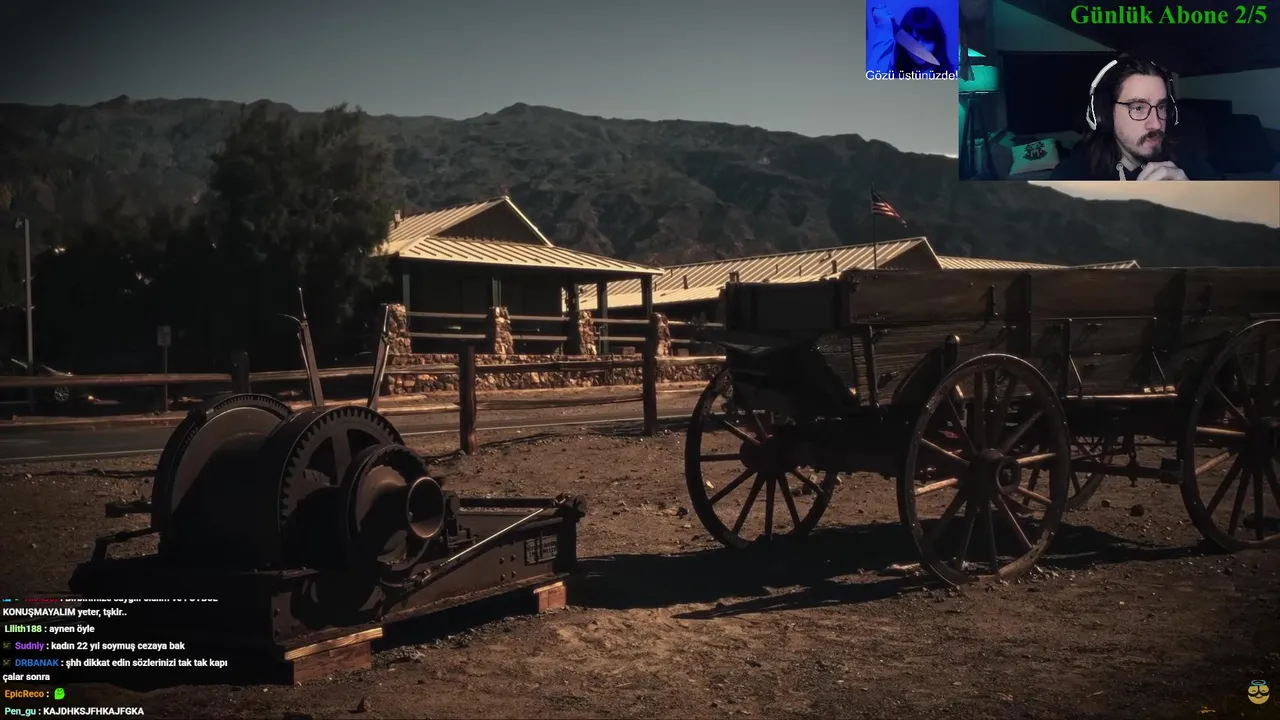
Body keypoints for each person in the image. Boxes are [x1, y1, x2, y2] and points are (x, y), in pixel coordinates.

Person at [1050, 55, 1221, 180]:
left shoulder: (1188, 162)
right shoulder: (1072, 176)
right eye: (1138, 108)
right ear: (1106, 114)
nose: (1156, 124)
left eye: (1161, 107)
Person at [868, 5, 957, 77]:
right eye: (914, 39)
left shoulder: (954, 75)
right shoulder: (892, 75)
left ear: (938, 42)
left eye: (927, 39)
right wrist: (884, 29)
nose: (921, 48)